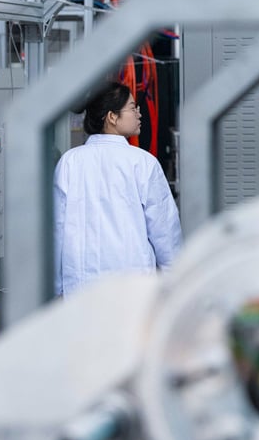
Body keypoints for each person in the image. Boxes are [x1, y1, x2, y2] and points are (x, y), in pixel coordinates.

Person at [53, 81, 182, 297]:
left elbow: (57, 229)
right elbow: (165, 232)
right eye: (132, 108)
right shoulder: (143, 163)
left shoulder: (70, 162)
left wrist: (55, 289)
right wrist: (176, 282)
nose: (139, 114)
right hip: (133, 287)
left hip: (82, 288)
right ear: (112, 117)